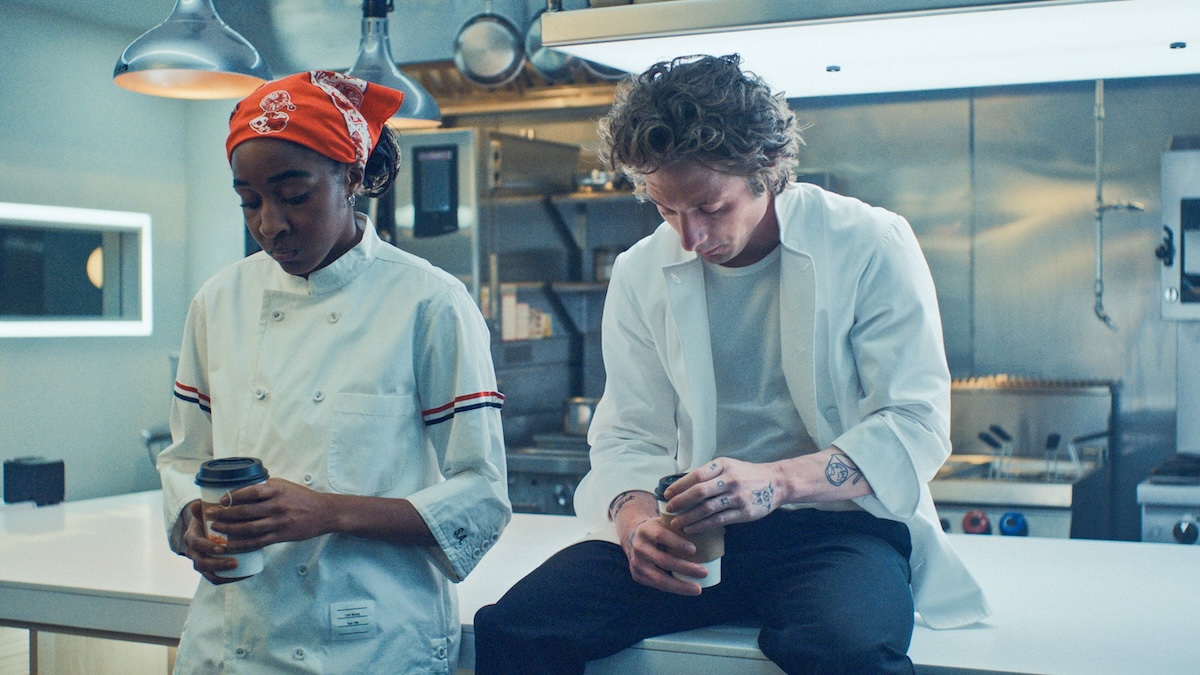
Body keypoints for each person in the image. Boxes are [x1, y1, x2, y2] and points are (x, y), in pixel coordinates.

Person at [473, 54, 989, 674]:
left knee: (847, 651)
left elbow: (914, 426)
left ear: (766, 171)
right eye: (666, 209)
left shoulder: (869, 244)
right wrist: (637, 522)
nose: (689, 237)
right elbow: (630, 434)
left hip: (839, 530)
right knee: (515, 629)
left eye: (710, 208)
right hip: (694, 534)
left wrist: (774, 483)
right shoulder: (641, 271)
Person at [157, 70, 510, 673]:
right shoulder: (218, 303)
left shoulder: (429, 301)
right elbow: (186, 458)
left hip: (368, 642)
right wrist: (190, 519)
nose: (270, 224)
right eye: (249, 200)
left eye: (294, 196)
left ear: (350, 177)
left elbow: (481, 495)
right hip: (232, 640)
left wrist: (327, 511)